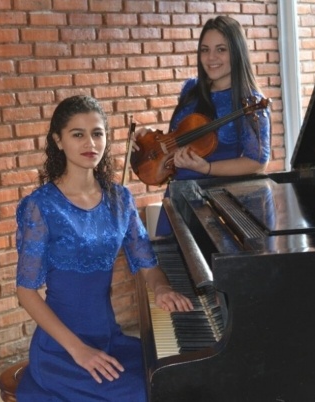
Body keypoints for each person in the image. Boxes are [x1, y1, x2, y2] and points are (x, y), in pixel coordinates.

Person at [15, 95, 194, 401]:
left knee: (174, 378)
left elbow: (147, 263)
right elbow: (26, 292)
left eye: (97, 133)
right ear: (58, 141)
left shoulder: (120, 199)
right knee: (140, 393)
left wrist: (161, 288)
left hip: (109, 338)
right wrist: (79, 350)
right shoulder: (40, 206)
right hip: (62, 350)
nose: (91, 143)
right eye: (78, 134)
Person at [134, 16, 271, 237]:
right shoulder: (191, 88)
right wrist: (149, 140)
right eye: (205, 50)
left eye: (221, 50)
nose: (211, 58)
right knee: (170, 268)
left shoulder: (250, 102)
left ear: (237, 52)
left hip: (219, 207)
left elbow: (257, 162)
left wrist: (206, 169)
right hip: (178, 198)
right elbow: (180, 135)